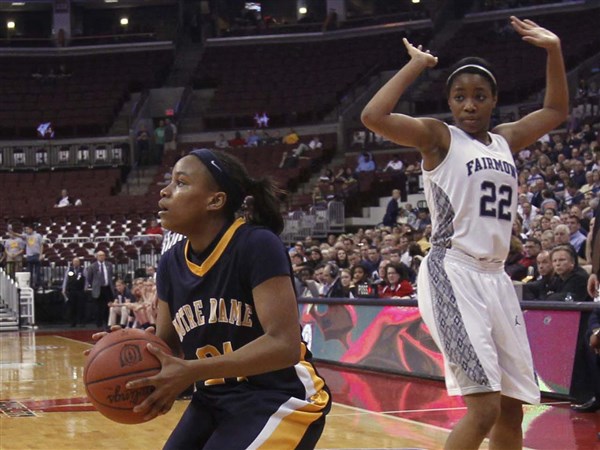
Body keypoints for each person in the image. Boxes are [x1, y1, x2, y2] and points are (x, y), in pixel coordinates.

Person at [361, 16, 568, 449]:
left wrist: (553, 50)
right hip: (453, 271)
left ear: (494, 100)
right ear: (450, 102)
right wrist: (416, 65)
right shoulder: (439, 137)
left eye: (479, 96)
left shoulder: (505, 140)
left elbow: (555, 111)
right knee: (484, 408)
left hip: (496, 278)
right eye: (460, 97)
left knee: (512, 407)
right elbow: (373, 116)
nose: (469, 105)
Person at [96, 148, 330, 448]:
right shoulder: (170, 263)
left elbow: (284, 346)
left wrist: (192, 371)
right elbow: (167, 346)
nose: (165, 191)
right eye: (169, 182)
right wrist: (126, 347)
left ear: (215, 201)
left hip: (279, 397)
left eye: (181, 183)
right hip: (212, 399)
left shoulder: (256, 244)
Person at [86, 250, 116, 328]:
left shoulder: (109, 265)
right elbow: (89, 278)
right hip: (98, 289)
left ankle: (107, 323)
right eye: (100, 255)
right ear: (96, 257)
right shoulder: (92, 266)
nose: (101, 257)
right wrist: (94, 285)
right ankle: (98, 323)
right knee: (98, 307)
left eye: (103, 255)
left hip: (107, 288)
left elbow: (111, 275)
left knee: (108, 306)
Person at [11, 225, 45, 291]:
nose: (26, 231)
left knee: (38, 272)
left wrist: (41, 255)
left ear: (31, 229)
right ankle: (30, 285)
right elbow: (19, 235)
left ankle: (38, 285)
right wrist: (13, 233)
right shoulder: (26, 236)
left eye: (27, 229)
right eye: (26, 229)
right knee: (29, 272)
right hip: (29, 256)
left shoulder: (38, 236)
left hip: (37, 255)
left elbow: (41, 245)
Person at [62, 257, 87, 327]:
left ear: (79, 262)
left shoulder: (83, 269)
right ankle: (73, 322)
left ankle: (81, 322)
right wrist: (64, 288)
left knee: (81, 307)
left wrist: (85, 287)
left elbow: (86, 279)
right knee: (72, 307)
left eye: (77, 261)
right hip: (71, 291)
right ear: (72, 262)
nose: (76, 263)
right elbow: (66, 279)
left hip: (80, 290)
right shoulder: (69, 269)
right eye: (74, 261)